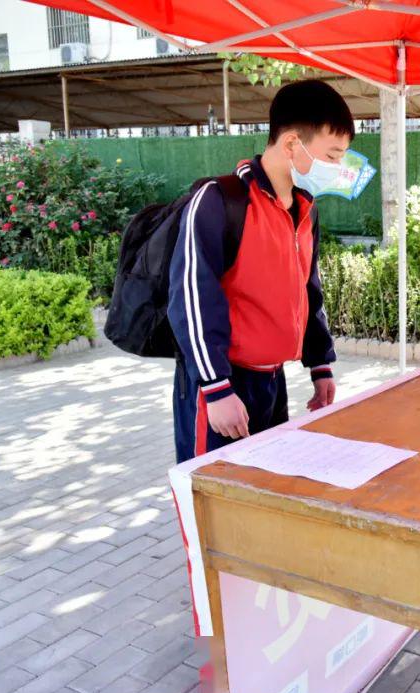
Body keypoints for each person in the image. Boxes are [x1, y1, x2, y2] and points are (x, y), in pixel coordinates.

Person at [167, 79, 352, 463]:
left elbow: (307, 290)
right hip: (221, 384)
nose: (338, 168)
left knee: (264, 493)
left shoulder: (304, 208)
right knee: (214, 498)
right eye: (332, 156)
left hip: (272, 380)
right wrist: (216, 388)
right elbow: (191, 297)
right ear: (290, 144)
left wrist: (320, 365)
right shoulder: (220, 201)